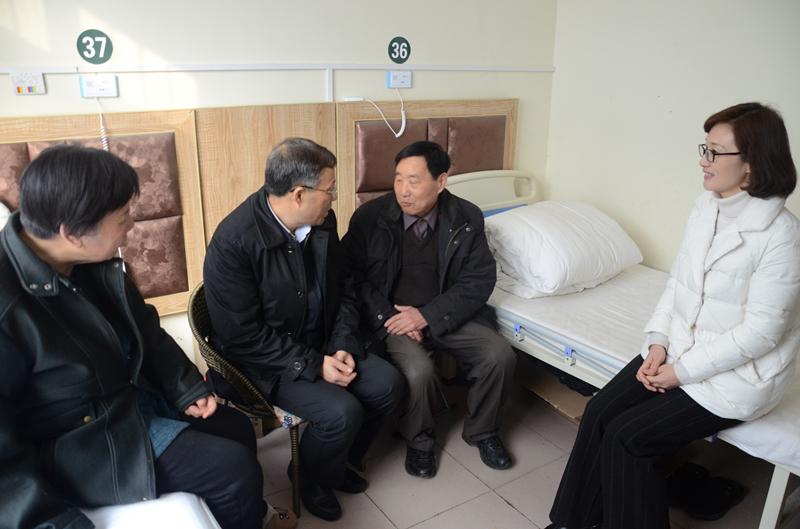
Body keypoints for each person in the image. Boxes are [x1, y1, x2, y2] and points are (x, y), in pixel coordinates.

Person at [0, 145, 295, 529]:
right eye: (123, 216)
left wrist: (186, 388)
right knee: (232, 469)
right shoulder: (8, 306)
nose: (132, 225)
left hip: (129, 402)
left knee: (236, 427)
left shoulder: (89, 262)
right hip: (80, 441)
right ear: (72, 234)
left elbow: (147, 332)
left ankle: (245, 515)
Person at [545, 102, 800, 529]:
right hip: (680, 350)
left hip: (738, 380)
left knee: (629, 438)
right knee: (600, 411)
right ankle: (573, 522)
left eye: (715, 152)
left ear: (752, 164)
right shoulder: (706, 207)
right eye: (705, 148)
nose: (703, 160)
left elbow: (762, 333)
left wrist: (680, 372)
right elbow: (678, 285)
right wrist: (658, 343)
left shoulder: (782, 236)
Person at [203, 137, 404, 522]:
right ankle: (311, 478)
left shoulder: (322, 220)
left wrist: (343, 342)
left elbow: (344, 287)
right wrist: (315, 365)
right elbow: (243, 337)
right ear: (298, 194)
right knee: (341, 413)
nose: (333, 198)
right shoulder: (234, 243)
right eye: (330, 189)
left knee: (388, 384)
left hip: (322, 339)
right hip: (265, 361)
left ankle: (334, 460)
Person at [343, 140, 516, 478]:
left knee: (499, 355)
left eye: (414, 180)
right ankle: (420, 441)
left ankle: (483, 431)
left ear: (441, 181)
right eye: (398, 179)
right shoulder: (370, 218)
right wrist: (390, 316)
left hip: (447, 313)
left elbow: (479, 280)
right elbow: (351, 277)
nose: (403, 191)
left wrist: (427, 315)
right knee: (419, 371)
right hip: (392, 318)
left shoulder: (466, 217)